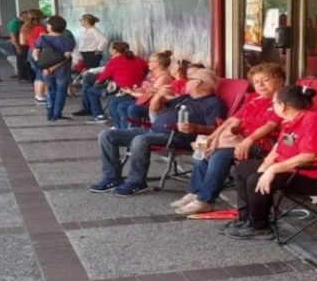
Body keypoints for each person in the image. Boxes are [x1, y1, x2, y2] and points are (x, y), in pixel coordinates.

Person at [224, 86, 317, 240]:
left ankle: (259, 227)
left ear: (283, 105)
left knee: (255, 180)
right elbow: (278, 148)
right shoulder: (290, 120)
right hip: (298, 170)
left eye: (274, 103)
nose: (272, 106)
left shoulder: (314, 120)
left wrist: (272, 170)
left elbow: (311, 156)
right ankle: (246, 218)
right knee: (243, 169)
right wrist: (265, 166)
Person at [171, 63, 286, 215]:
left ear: (280, 81)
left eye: (265, 80)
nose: (260, 85)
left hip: (263, 145)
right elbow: (232, 121)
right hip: (237, 139)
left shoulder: (281, 101)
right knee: (202, 150)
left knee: (220, 155)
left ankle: (205, 201)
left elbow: (270, 126)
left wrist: (248, 141)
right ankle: (195, 191)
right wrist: (211, 138)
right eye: (256, 82)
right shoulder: (254, 98)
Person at [89, 68, 225, 197]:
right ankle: (111, 177)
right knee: (107, 135)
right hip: (153, 130)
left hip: (177, 137)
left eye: (190, 79)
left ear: (198, 83)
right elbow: (156, 110)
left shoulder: (212, 103)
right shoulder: (186, 98)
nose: (186, 81)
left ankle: (136, 181)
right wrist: (159, 95)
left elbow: (215, 129)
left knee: (141, 140)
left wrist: (196, 128)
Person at [74, 41, 147, 124]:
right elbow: (145, 68)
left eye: (110, 48)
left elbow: (103, 77)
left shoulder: (115, 61)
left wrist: (97, 83)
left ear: (115, 51)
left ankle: (99, 115)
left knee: (90, 90)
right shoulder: (137, 59)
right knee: (89, 83)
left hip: (121, 89)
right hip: (137, 87)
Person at [112, 50, 174, 128]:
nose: (148, 63)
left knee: (131, 108)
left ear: (158, 63)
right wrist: (135, 89)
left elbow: (149, 96)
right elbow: (145, 88)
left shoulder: (163, 78)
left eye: (150, 61)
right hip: (143, 100)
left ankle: (132, 131)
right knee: (119, 103)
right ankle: (122, 129)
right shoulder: (151, 74)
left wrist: (131, 92)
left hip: (152, 105)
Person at [32, 15, 75, 121]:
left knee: (50, 91)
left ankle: (49, 114)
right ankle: (57, 114)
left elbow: (35, 53)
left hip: (46, 71)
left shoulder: (42, 39)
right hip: (63, 70)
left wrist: (43, 66)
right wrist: (52, 67)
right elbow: (66, 57)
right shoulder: (67, 41)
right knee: (61, 92)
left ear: (50, 27)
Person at [21, 9, 48, 102]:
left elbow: (22, 42)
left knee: (37, 74)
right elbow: (45, 41)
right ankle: (41, 96)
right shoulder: (40, 28)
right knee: (41, 74)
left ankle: (37, 95)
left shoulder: (25, 28)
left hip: (30, 51)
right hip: (40, 52)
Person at [7, 11, 31, 82]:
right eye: (26, 17)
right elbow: (13, 36)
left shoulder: (23, 23)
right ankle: (22, 76)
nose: (28, 19)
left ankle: (26, 75)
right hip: (19, 45)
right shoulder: (15, 23)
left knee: (24, 59)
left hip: (24, 44)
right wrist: (17, 47)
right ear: (21, 17)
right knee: (21, 60)